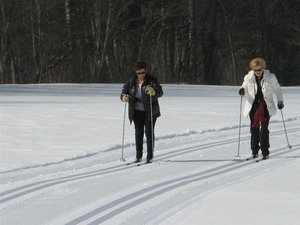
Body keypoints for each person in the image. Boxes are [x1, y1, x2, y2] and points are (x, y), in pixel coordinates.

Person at [238, 57, 284, 160]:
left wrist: (280, 101)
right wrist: (241, 91)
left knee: (264, 129)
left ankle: (265, 151)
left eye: (259, 69)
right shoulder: (248, 77)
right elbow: (243, 87)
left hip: (265, 106)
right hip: (253, 105)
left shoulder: (270, 77)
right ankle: (254, 151)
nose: (257, 72)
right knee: (254, 129)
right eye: (255, 70)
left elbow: (278, 89)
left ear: (262, 68)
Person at [120, 61, 163, 163]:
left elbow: (160, 92)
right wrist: (123, 97)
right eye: (139, 73)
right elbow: (123, 92)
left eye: (143, 73)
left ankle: (150, 156)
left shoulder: (152, 80)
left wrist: (154, 91)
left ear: (146, 71)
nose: (141, 75)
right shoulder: (131, 81)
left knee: (149, 133)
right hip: (137, 111)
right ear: (136, 72)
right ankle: (138, 156)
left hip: (150, 111)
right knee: (138, 133)